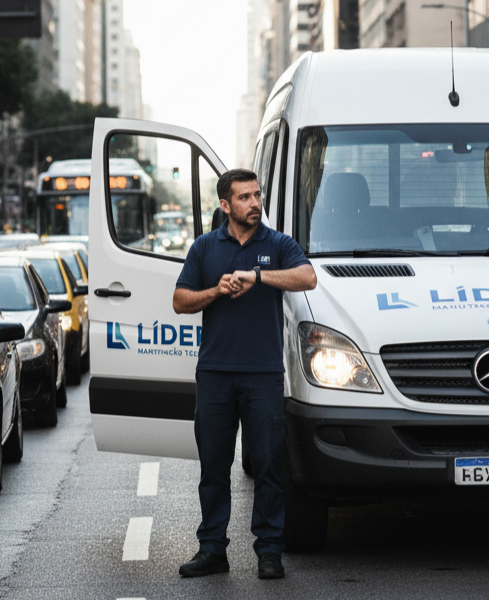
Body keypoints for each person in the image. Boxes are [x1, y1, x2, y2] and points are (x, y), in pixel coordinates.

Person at [172, 168, 317, 580]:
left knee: (269, 465)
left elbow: (307, 277)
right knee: (213, 468)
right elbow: (180, 301)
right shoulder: (204, 248)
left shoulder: (278, 244)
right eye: (244, 198)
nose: (254, 204)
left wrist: (257, 276)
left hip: (263, 375)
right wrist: (215, 291)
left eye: (257, 196)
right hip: (216, 374)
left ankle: (269, 551)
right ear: (225, 205)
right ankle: (212, 549)